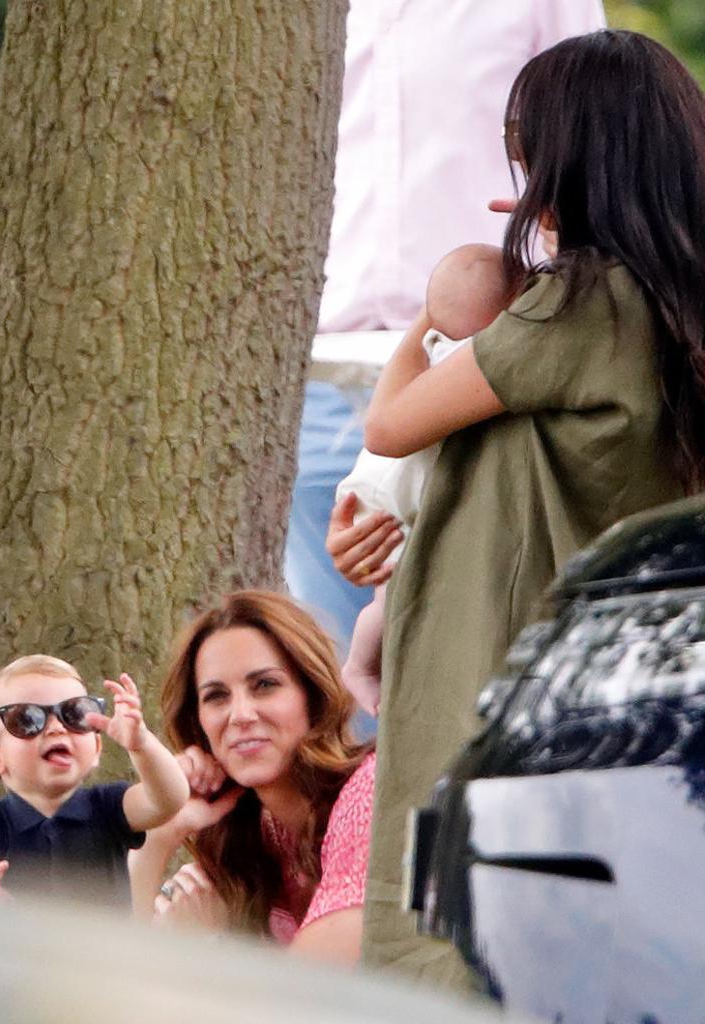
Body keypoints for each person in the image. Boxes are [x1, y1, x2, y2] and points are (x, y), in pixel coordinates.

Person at [327, 29, 705, 986]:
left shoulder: (575, 306)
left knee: (458, 943)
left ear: (563, 158)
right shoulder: (676, 309)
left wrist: (434, 309)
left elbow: (396, 420)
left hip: (501, 668)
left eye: (525, 149)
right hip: (630, 698)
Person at [285, 0, 607, 649]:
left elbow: (599, 121)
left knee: (470, 626)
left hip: (486, 353)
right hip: (318, 361)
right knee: (332, 650)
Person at [128, 590, 375, 965]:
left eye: (264, 685)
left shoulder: (368, 792)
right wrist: (162, 830)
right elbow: (115, 972)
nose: (240, 714)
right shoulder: (246, 838)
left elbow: (314, 993)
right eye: (216, 696)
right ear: (198, 722)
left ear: (312, 693)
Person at [337, 245, 511, 715]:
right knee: (387, 599)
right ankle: (358, 667)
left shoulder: (430, 350)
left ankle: (358, 665)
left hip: (375, 486)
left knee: (383, 602)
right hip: (405, 491)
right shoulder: (487, 357)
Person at [0, 655, 189, 908]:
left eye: (75, 714)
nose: (57, 727)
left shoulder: (108, 807)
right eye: (27, 719)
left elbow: (170, 798)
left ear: (97, 748)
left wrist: (141, 744)